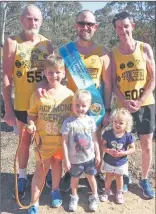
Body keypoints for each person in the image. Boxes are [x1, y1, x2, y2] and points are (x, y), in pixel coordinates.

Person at [37, 9, 112, 192]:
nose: (85, 27)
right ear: (75, 25)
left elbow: (109, 84)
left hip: (94, 108)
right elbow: (51, 72)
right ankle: (68, 173)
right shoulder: (63, 51)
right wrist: (42, 86)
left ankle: (95, 173)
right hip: (68, 107)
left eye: (89, 24)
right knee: (68, 140)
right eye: (81, 23)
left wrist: (108, 109)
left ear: (96, 27)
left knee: (94, 138)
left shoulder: (104, 53)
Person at [2, 4, 53, 198]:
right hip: (22, 105)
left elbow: (53, 73)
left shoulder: (47, 43)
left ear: (41, 21)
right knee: (24, 143)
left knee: (45, 142)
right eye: (29, 18)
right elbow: (6, 77)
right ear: (22, 20)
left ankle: (45, 174)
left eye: (36, 19)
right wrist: (8, 108)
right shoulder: (12, 42)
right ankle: (22, 176)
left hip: (44, 104)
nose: (33, 23)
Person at [111, 11, 155, 199]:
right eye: (119, 27)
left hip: (145, 105)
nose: (123, 30)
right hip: (123, 107)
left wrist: (141, 99)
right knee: (122, 144)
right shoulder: (113, 53)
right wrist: (123, 100)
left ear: (133, 26)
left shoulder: (144, 48)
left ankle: (144, 179)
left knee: (146, 145)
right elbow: (112, 82)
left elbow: (153, 78)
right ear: (115, 30)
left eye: (126, 26)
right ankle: (124, 176)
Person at [27, 53, 73, 213]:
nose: (55, 75)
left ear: (64, 73)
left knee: (57, 165)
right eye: (51, 72)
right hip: (43, 142)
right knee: (40, 170)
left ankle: (55, 190)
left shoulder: (69, 94)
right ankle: (34, 203)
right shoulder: (38, 94)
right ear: (45, 73)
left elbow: (74, 115)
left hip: (61, 142)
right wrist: (31, 124)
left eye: (58, 72)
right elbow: (31, 114)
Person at [60, 89, 100, 211]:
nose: (80, 108)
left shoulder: (91, 121)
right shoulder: (68, 123)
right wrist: (66, 160)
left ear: (89, 106)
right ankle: (74, 196)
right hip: (74, 159)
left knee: (91, 177)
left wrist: (98, 154)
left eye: (84, 105)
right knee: (74, 179)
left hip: (89, 158)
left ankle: (95, 196)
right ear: (72, 105)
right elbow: (64, 142)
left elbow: (95, 139)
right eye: (77, 105)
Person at [100, 108, 135, 204]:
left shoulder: (128, 136)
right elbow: (101, 145)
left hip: (121, 162)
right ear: (112, 121)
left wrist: (124, 153)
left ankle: (119, 192)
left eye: (121, 123)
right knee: (108, 176)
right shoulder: (108, 133)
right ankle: (106, 190)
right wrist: (108, 150)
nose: (117, 124)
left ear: (126, 124)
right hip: (109, 160)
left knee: (119, 177)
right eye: (115, 121)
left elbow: (133, 148)